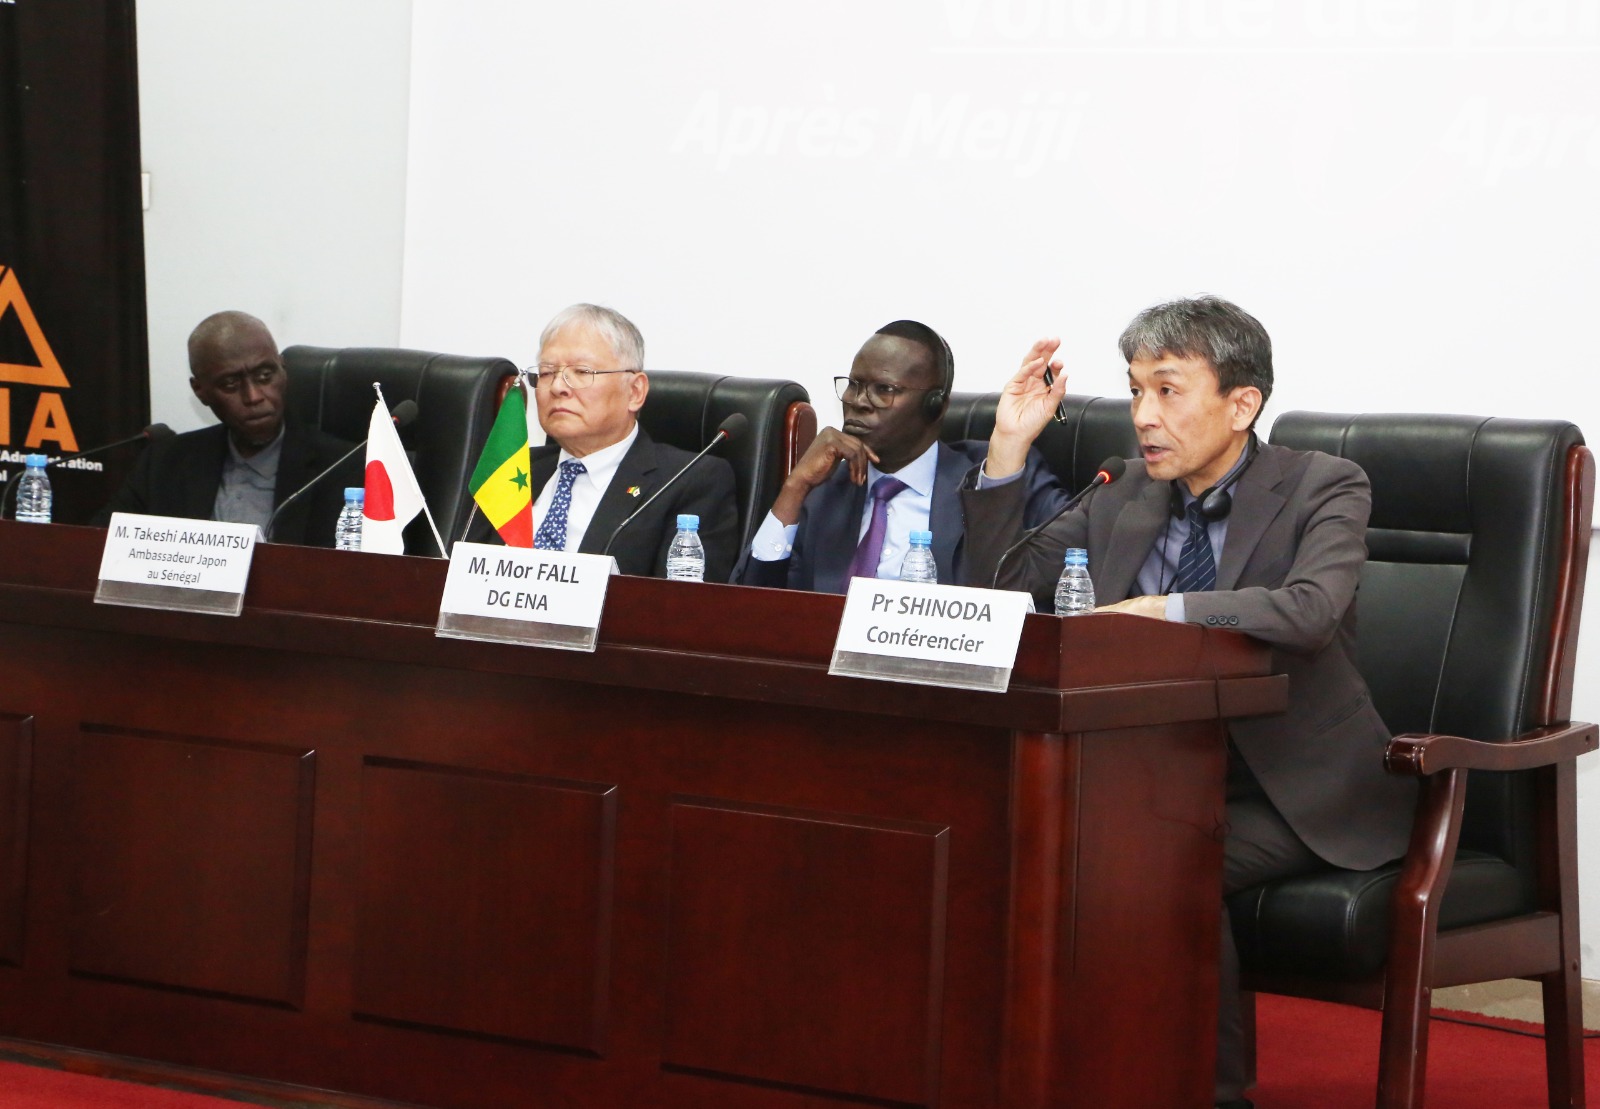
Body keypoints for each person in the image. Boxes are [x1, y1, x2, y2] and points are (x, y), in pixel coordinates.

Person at [959, 296, 1416, 1109]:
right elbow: (1001, 593)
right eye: (1135, 391)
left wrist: (1160, 610)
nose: (1143, 416)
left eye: (1168, 391)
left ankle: (1209, 1094)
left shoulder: (1324, 485)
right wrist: (1008, 448)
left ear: (1242, 403)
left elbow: (1309, 610)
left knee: (1154, 867)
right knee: (1029, 848)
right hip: (1146, 775)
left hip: (1288, 789)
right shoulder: (1124, 489)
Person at [733, 320, 1066, 591]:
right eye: (854, 385)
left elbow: (1071, 560)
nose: (858, 401)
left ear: (935, 406)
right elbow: (752, 612)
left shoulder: (991, 479)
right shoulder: (824, 489)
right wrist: (794, 487)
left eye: (884, 390)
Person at [468, 303, 739, 580]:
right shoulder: (512, 470)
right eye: (547, 373)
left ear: (635, 392)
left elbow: (680, 610)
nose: (559, 387)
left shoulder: (689, 481)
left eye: (583, 372)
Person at [94, 311, 356, 545]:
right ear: (200, 391)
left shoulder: (343, 467)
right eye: (230, 384)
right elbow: (100, 547)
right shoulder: (165, 462)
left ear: (283, 372)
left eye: (265, 376)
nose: (253, 396)